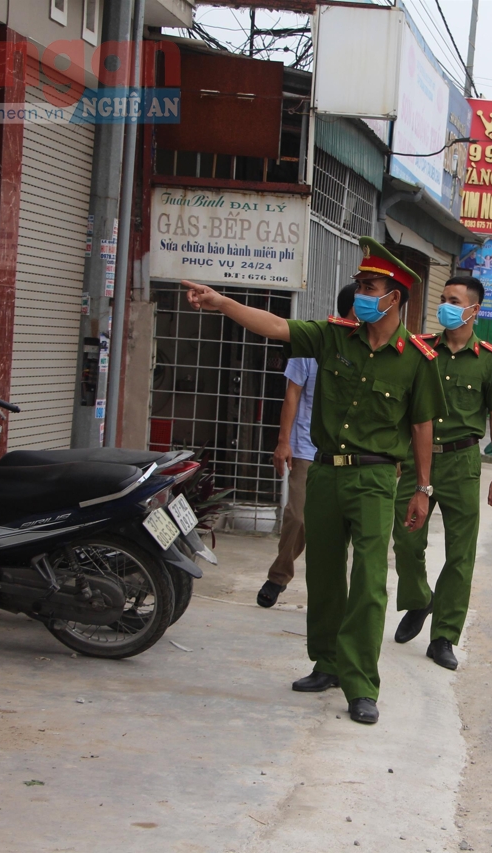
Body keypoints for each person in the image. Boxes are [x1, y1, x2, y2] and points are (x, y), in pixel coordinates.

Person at [180, 237, 445, 727]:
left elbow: (422, 426)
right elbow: (277, 326)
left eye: (370, 286)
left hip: (375, 477)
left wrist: (423, 488)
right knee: (324, 575)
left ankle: (361, 683)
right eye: (360, 285)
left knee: (368, 582)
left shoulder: (417, 359)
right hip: (324, 471)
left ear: (396, 297)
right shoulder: (332, 336)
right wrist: (221, 302)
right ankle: (325, 663)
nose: (361, 293)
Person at [391, 275, 492, 671]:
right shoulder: (422, 350)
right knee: (406, 538)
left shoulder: (490, 361)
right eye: (442, 298)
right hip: (417, 459)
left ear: (473, 310)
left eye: (453, 300)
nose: (444, 305)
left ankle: (444, 636)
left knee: (461, 553)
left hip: (463, 462)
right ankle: (418, 599)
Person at [257, 283, 358, 609]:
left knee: (341, 527)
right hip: (306, 447)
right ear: (352, 307)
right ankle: (278, 577)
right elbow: (292, 395)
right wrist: (283, 442)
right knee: (298, 517)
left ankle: (334, 595)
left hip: (351, 454)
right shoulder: (318, 341)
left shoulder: (375, 350)